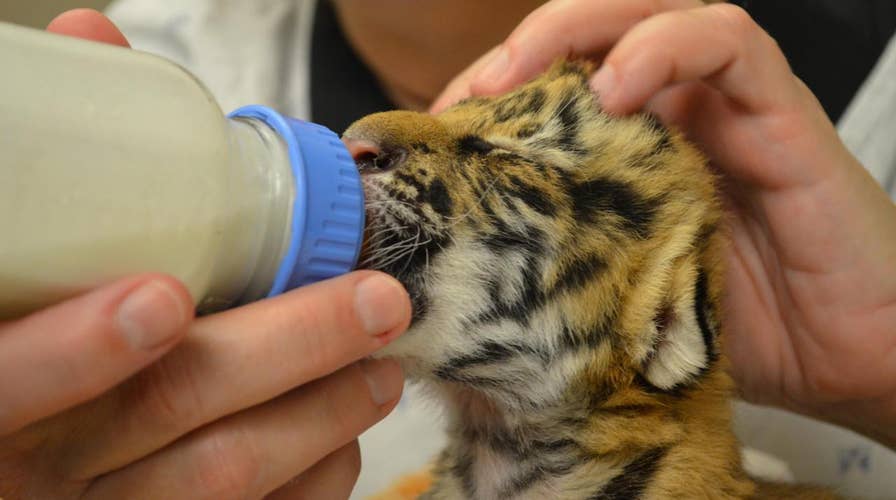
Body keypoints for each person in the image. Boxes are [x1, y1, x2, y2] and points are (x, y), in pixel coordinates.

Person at [1, 1, 894, 498]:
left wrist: (882, 368)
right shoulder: (159, 67)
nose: (367, 138)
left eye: (515, 161)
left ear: (657, 327)